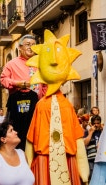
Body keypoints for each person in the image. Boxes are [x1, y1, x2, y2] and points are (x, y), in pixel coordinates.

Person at [25, 30, 89, 185]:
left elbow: (76, 138)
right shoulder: (44, 106)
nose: (53, 61)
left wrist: (83, 170)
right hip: (47, 160)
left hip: (62, 158)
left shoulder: (65, 105)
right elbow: (31, 139)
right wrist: (84, 172)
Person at [0, 34, 47, 99]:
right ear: (20, 47)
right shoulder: (11, 64)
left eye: (33, 45)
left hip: (39, 104)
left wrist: (44, 98)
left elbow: (45, 83)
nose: (31, 47)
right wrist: (17, 84)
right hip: (20, 103)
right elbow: (3, 80)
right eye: (28, 44)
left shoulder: (41, 63)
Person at [84, 115, 102, 180]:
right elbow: (85, 143)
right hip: (91, 159)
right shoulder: (87, 132)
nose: (96, 125)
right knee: (92, 178)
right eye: (94, 123)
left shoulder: (102, 132)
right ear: (91, 124)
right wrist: (91, 133)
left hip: (101, 159)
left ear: (100, 123)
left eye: (98, 123)